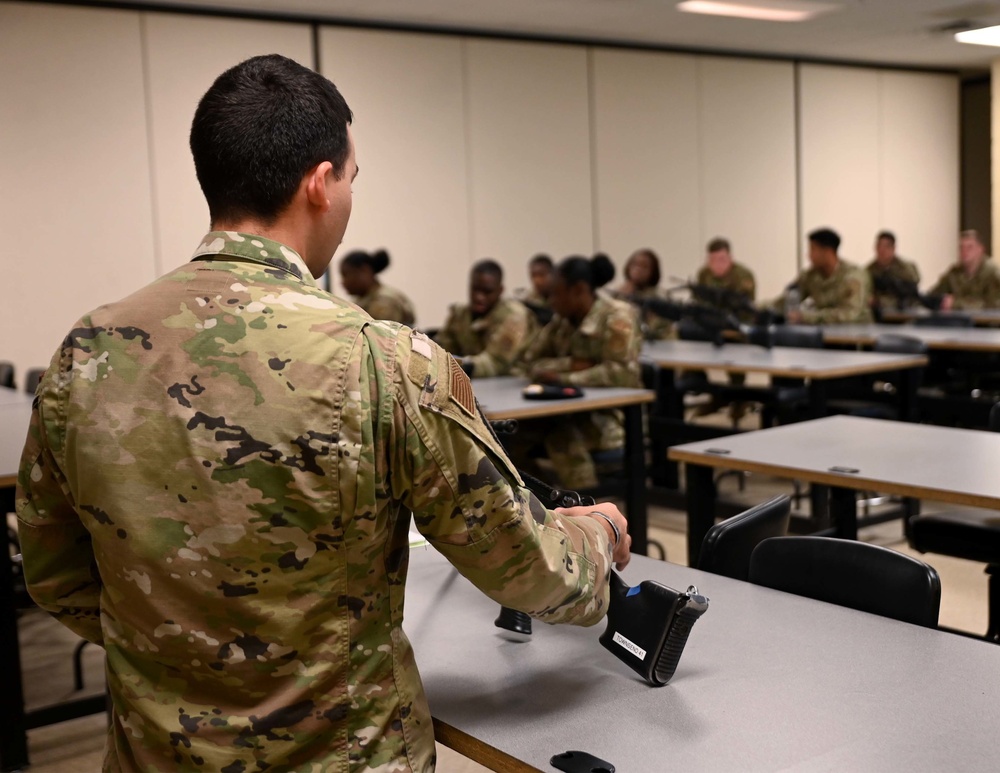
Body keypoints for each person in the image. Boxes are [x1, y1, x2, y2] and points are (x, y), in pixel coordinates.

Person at [15, 54, 630, 772]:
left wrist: (180, 649)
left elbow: (54, 574)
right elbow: (530, 572)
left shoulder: (88, 349)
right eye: (351, 176)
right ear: (320, 182)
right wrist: (596, 535)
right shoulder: (385, 361)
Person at [514, 255, 642, 490]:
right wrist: (573, 364)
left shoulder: (617, 317)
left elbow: (622, 374)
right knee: (507, 438)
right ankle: (537, 500)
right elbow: (528, 361)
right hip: (561, 411)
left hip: (611, 419)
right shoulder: (562, 320)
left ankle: (587, 510)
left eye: (556, 293)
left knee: (561, 437)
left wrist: (563, 377)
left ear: (579, 290)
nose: (550, 300)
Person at [434, 259, 535, 377]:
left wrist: (459, 365)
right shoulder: (460, 314)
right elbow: (443, 347)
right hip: (471, 381)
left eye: (487, 292)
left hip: (509, 383)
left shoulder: (514, 316)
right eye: (475, 289)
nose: (479, 297)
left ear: (500, 290)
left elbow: (496, 362)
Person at [773, 228, 872, 324]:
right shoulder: (810, 276)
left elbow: (849, 314)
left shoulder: (853, 277)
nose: (809, 256)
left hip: (857, 335)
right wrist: (762, 309)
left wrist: (806, 317)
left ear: (828, 252)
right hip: (824, 333)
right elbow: (784, 302)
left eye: (813, 249)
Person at [339, 248, 416, 325]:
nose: (342, 282)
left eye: (346, 275)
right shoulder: (361, 299)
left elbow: (378, 333)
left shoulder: (385, 300)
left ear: (364, 270)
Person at [612, 248, 674, 340]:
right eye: (635, 265)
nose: (638, 269)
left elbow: (654, 328)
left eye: (644, 266)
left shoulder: (660, 296)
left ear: (653, 271)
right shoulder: (619, 292)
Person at [929, 229, 1000, 311]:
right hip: (959, 322)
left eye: (969, 247)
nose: (964, 251)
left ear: (980, 249)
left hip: (986, 323)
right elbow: (935, 294)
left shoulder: (992, 274)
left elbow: (994, 305)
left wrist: (956, 304)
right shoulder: (954, 273)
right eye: (961, 248)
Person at [694, 237, 756, 321]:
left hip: (739, 319)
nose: (717, 264)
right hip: (710, 318)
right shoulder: (704, 274)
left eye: (722, 259)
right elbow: (699, 300)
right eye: (712, 260)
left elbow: (746, 305)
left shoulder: (743, 275)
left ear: (730, 258)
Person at [866, 231, 920, 313]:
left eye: (886, 247)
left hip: (905, 310)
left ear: (893, 248)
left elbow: (911, 291)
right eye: (879, 246)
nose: (881, 250)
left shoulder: (905, 269)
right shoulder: (870, 270)